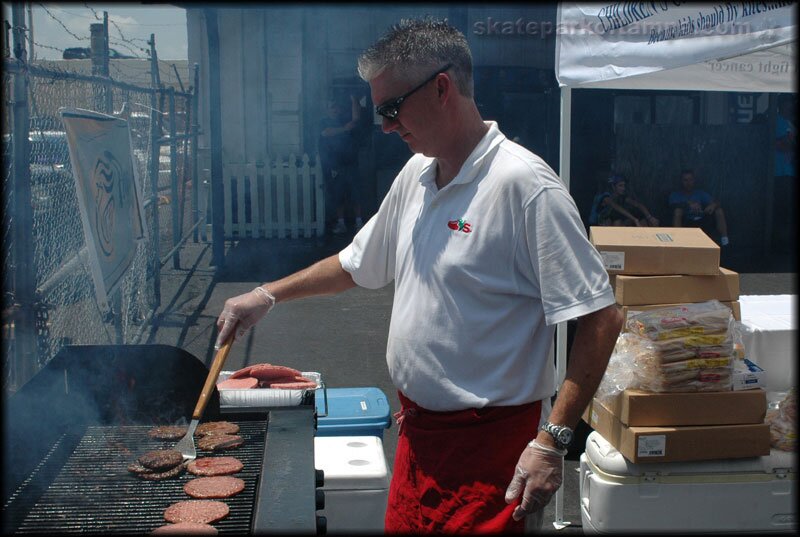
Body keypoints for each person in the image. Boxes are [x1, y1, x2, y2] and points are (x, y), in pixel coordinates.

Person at [216, 18, 621, 534]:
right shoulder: (417, 173)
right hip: (417, 443)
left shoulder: (524, 186)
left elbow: (602, 319)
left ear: (442, 88)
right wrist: (265, 296)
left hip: (490, 456)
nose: (384, 126)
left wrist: (553, 440)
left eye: (390, 108)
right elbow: (355, 263)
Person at [318, 93, 365, 234]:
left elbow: (356, 119)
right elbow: (326, 133)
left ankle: (359, 223)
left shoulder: (344, 119)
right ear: (327, 110)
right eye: (332, 107)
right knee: (338, 196)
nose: (334, 109)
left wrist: (354, 99)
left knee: (356, 194)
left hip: (351, 163)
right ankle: (341, 224)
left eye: (336, 107)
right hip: (335, 166)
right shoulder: (324, 122)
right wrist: (344, 129)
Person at [668, 169, 730, 246]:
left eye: (690, 180)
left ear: (694, 181)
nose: (688, 183)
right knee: (677, 211)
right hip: (686, 222)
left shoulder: (700, 193)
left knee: (719, 211)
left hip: (702, 221)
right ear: (681, 181)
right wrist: (688, 204)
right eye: (685, 180)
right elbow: (672, 206)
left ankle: (725, 241)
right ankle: (678, 241)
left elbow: (717, 202)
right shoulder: (675, 195)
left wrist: (712, 205)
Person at [588, 173, 659, 227]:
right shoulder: (605, 197)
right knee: (617, 222)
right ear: (613, 187)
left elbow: (637, 204)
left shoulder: (621, 197)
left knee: (642, 221)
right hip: (595, 225)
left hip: (611, 222)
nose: (623, 188)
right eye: (620, 186)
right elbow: (617, 207)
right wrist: (634, 219)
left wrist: (650, 217)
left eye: (624, 186)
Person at [773, 94, 796, 254]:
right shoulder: (777, 121)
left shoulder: (792, 123)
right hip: (779, 173)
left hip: (791, 172)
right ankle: (779, 244)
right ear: (782, 104)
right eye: (789, 103)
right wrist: (788, 141)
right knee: (781, 209)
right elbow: (780, 145)